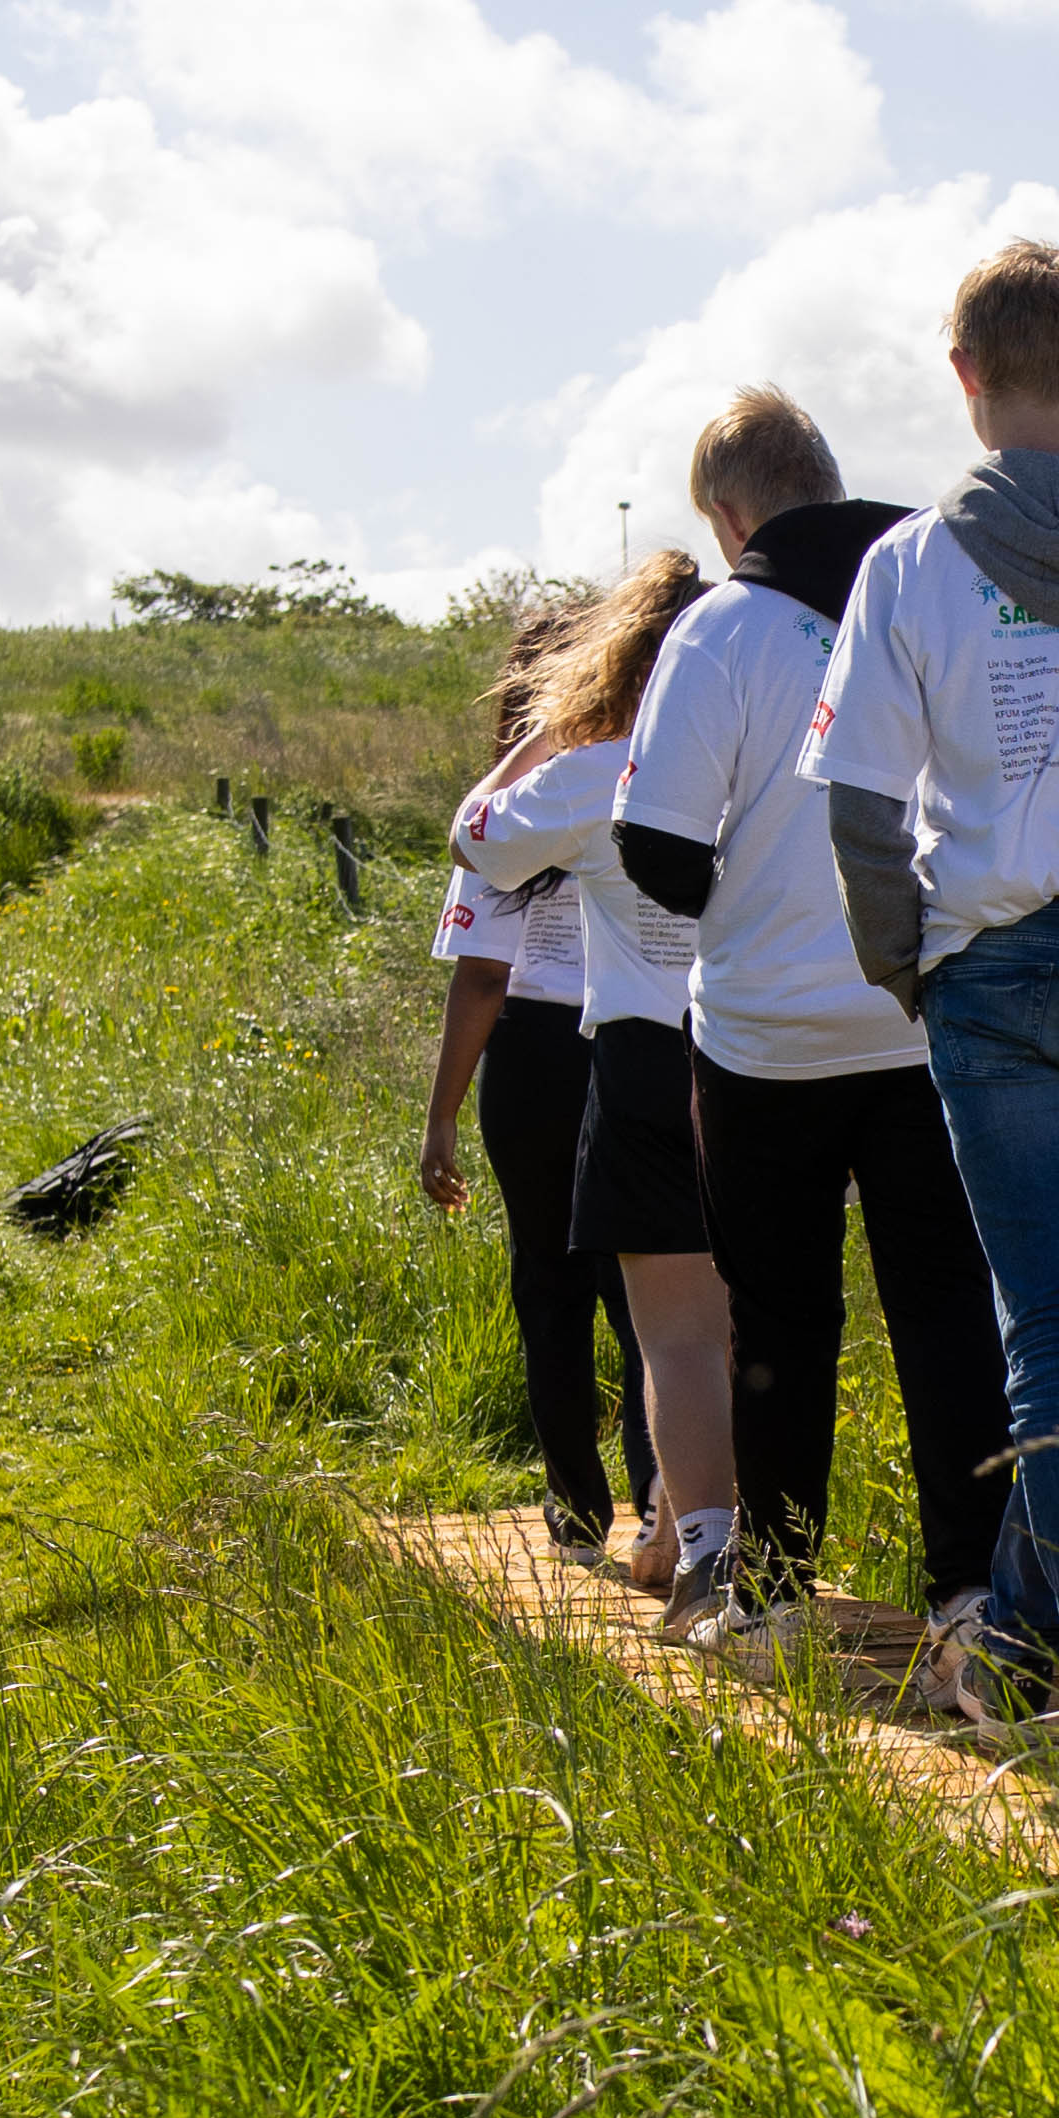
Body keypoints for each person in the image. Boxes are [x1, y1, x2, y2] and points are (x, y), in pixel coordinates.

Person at [801, 241, 1059, 1738]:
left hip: (993, 972)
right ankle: (1016, 1641)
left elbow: (856, 800)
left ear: (964, 381)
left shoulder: (909, 563)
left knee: (1053, 1342)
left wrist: (911, 966)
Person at [612, 390, 1015, 1647]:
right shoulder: (937, 592)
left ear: (729, 516)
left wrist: (754, 882)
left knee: (780, 1317)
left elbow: (660, 852)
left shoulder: (725, 629)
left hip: (768, 1035)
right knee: (947, 1310)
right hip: (923, 1016)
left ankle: (776, 1596)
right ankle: (967, 1602)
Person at [452, 556, 740, 1616]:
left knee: (668, 1326)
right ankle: (691, 1519)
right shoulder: (746, 759)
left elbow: (476, 835)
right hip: (761, 1047)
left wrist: (554, 724)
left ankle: (695, 1537)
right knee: (748, 1312)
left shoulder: (598, 766)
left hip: (639, 1056)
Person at [421, 602, 655, 1560]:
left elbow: (480, 978)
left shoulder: (518, 811)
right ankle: (668, 1505)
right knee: (644, 1281)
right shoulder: (638, 784)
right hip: (633, 1040)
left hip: (532, 1055)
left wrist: (438, 1122)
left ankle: (573, 1513)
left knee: (546, 1282)